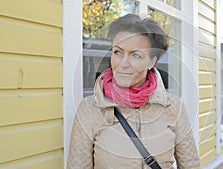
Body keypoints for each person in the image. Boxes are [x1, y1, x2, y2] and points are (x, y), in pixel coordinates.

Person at [67, 14, 200, 169]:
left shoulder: (174, 107)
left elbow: (191, 165)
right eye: (117, 52)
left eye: (136, 55)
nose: (123, 63)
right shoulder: (89, 109)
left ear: (152, 62)